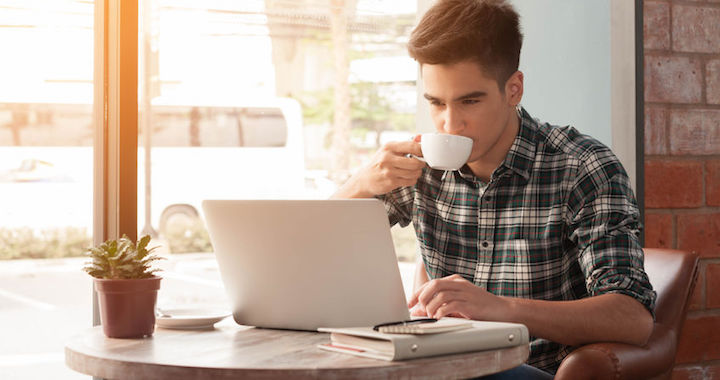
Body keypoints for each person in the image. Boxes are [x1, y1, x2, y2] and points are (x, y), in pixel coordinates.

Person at [332, 0, 656, 377]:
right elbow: (305, 249)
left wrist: (500, 308)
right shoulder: (422, 167)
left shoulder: (581, 167)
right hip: (435, 367)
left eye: (470, 100)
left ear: (514, 89)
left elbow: (632, 317)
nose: (450, 124)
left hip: (529, 369)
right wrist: (359, 185)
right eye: (436, 103)